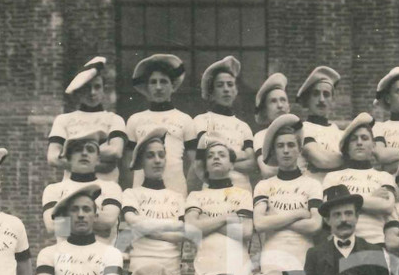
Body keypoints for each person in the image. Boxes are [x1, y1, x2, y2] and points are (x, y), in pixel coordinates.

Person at [253, 113, 323, 275]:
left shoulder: (312, 184)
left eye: (291, 145)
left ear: (300, 150)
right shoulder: (264, 185)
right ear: (274, 150)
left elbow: (315, 225)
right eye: (280, 145)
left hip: (303, 258)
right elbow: (259, 223)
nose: (286, 150)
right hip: (274, 258)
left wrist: (276, 219)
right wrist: (298, 214)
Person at [121, 128, 189, 275]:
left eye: (161, 155)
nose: (157, 160)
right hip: (140, 274)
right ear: (142, 161)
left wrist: (146, 230)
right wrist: (167, 229)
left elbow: (183, 234)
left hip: (171, 274)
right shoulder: (131, 194)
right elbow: (133, 221)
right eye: (150, 156)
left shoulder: (177, 198)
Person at [183, 134, 255, 275]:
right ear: (205, 165)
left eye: (222, 155)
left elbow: (245, 231)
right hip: (207, 268)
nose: (216, 158)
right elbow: (191, 229)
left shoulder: (243, 194)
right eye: (210, 155)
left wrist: (205, 220)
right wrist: (225, 218)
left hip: (237, 268)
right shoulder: (196, 196)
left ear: (231, 164)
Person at [124, 53, 196, 195]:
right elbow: (128, 165)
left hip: (176, 192)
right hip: (142, 194)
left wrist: (185, 193)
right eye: (153, 82)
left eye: (163, 82)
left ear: (173, 86)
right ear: (147, 87)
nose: (158, 87)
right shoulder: (135, 120)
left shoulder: (185, 119)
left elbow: (195, 164)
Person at [322, 112, 397, 246]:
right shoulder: (333, 177)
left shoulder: (384, 177)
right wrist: (372, 199)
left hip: (376, 244)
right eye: (354, 139)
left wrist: (347, 200)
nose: (359, 142)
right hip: (342, 244)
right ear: (347, 147)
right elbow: (330, 208)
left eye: (364, 138)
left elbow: (387, 206)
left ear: (373, 146)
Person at [48, 56, 126, 183]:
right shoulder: (64, 120)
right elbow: (52, 157)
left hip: (106, 187)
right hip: (72, 188)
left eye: (97, 87)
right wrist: (98, 166)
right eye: (87, 87)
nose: (92, 92)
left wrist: (73, 155)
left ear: (103, 89)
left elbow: (115, 151)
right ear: (78, 91)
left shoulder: (115, 120)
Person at [41, 129, 123, 245]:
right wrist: (93, 221)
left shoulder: (111, 188)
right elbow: (52, 227)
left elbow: (108, 221)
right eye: (78, 150)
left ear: (98, 158)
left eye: (90, 150)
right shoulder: (54, 190)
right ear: (68, 158)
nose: (84, 153)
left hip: (103, 257)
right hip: (67, 257)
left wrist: (66, 218)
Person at [190, 56, 257, 190]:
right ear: (212, 92)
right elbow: (202, 159)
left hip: (241, 190)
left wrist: (221, 162)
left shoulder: (243, 127)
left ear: (236, 90)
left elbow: (252, 164)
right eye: (220, 85)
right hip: (213, 192)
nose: (226, 89)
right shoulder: (201, 121)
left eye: (230, 84)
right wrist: (240, 156)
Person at [296, 65, 345, 183]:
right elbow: (321, 160)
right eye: (316, 94)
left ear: (332, 100)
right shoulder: (302, 129)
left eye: (326, 94)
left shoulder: (339, 132)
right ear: (308, 99)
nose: (321, 99)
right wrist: (350, 158)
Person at [252, 73, 298, 180]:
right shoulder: (261, 137)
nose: (280, 105)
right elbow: (267, 171)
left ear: (288, 107)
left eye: (283, 100)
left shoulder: (299, 132)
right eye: (273, 101)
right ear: (265, 111)